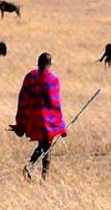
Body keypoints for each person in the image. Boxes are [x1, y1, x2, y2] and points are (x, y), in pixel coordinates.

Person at [12, 52, 66, 181]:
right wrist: (59, 122)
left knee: (45, 144)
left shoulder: (30, 76)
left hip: (32, 117)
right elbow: (55, 103)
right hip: (47, 119)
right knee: (46, 145)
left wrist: (21, 118)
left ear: (38, 62)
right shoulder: (52, 79)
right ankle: (36, 171)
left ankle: (41, 175)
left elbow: (22, 97)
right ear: (50, 64)